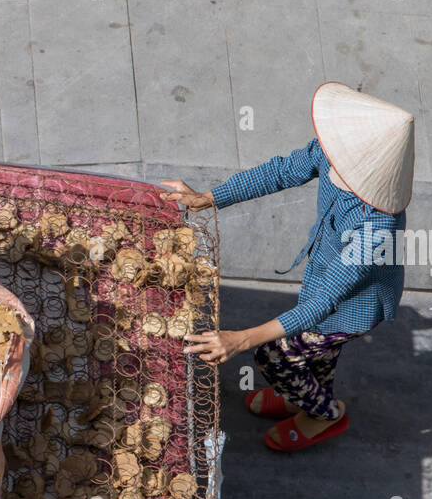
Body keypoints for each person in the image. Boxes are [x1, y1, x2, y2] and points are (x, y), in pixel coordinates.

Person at [162, 82, 416, 451]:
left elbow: (321, 307)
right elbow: (279, 172)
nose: (325, 146)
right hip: (324, 278)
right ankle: (303, 395)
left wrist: (239, 338)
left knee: (276, 355)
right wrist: (208, 198)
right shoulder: (332, 156)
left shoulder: (377, 229)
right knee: (317, 354)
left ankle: (324, 413)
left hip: (352, 308)